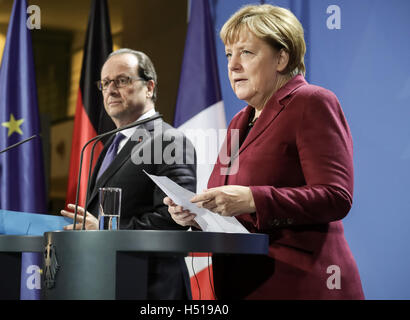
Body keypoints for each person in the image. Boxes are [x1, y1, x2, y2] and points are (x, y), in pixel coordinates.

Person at [164, 4, 364, 299]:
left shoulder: (312, 102)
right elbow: (232, 209)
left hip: (300, 283)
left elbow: (336, 197)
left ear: (281, 58)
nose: (232, 66)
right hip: (242, 283)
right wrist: (196, 214)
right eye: (229, 55)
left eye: (246, 52)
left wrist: (253, 199)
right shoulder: (239, 121)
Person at [61, 48, 196, 300]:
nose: (111, 89)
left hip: (151, 286)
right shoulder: (108, 145)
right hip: (105, 280)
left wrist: (105, 229)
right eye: (105, 83)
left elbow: (173, 218)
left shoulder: (169, 140)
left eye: (122, 80)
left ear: (149, 87)